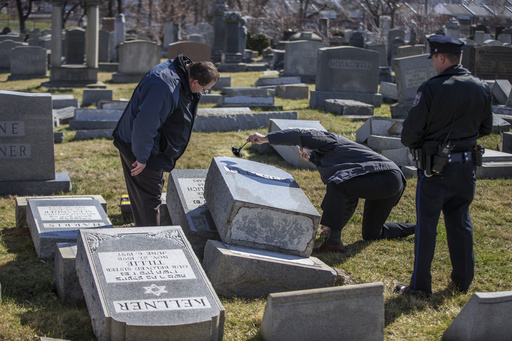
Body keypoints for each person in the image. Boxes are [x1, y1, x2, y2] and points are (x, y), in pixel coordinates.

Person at [395, 35, 493, 297]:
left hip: (434, 169)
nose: (433, 65)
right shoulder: (480, 87)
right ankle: (462, 281)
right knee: (460, 222)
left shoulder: (431, 88)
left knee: (427, 227)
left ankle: (419, 286)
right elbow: (486, 127)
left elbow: (409, 136)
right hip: (466, 168)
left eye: (434, 60)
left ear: (441, 58)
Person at [247, 128, 416, 253]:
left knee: (337, 184)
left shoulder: (328, 139)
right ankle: (418, 228)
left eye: (302, 149)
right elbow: (349, 197)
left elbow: (298, 135)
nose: (301, 152)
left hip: (385, 176)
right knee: (372, 233)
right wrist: (334, 225)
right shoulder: (326, 160)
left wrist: (265, 138)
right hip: (390, 180)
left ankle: (334, 244)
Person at [112, 54, 219, 226]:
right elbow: (145, 124)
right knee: (150, 199)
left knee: (146, 195)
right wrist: (141, 157)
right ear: (195, 83)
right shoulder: (164, 86)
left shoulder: (182, 72)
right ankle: (150, 244)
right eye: (205, 89)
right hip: (140, 147)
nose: (203, 93)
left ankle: (144, 233)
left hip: (151, 147)